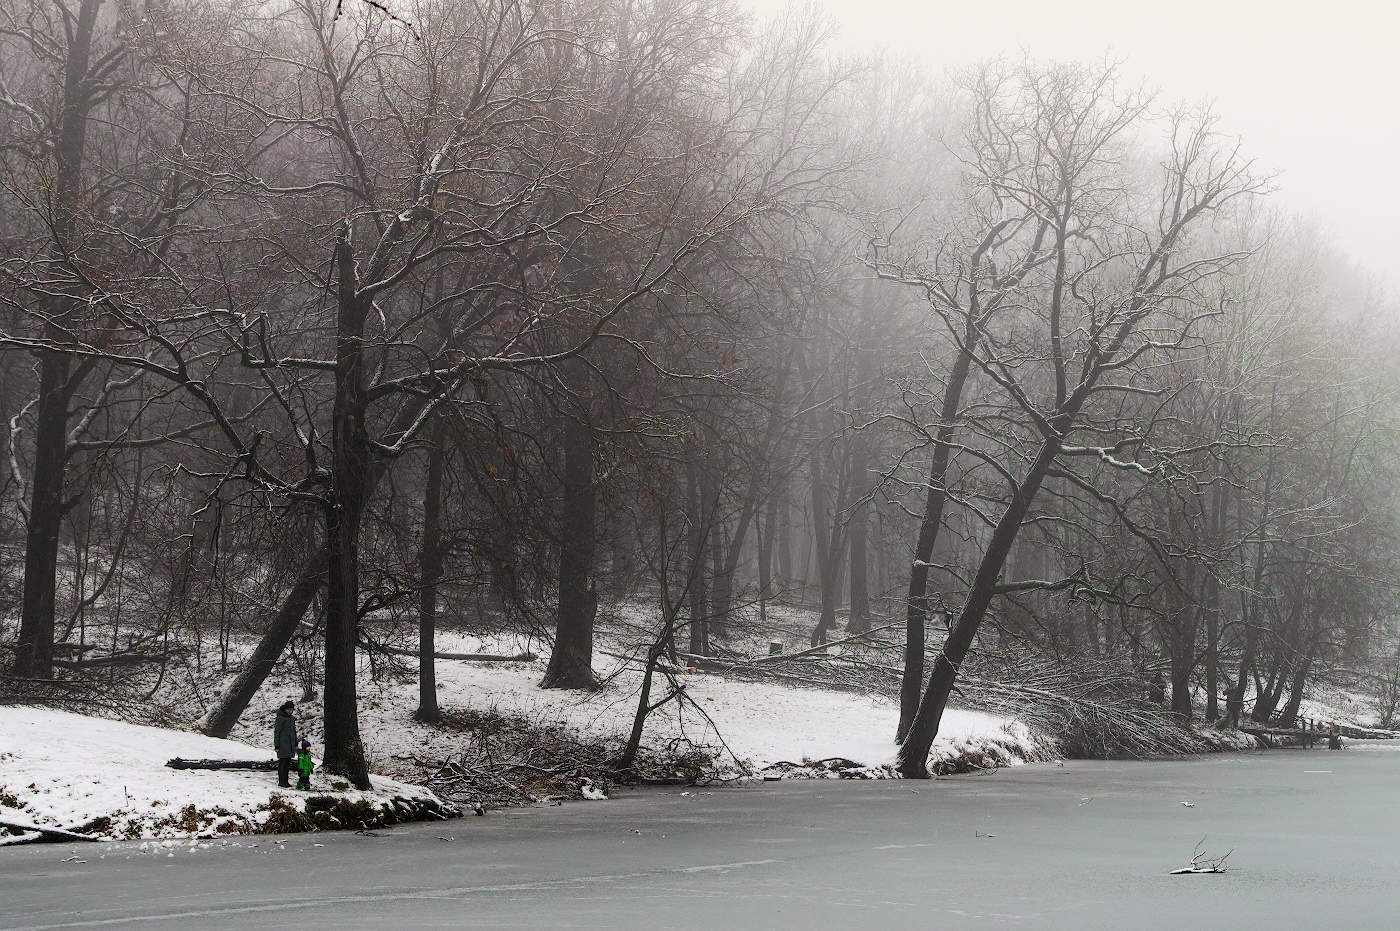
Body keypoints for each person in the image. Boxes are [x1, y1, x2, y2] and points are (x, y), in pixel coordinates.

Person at [273, 700, 298, 788]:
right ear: (285, 709)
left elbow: (294, 732)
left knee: (287, 764)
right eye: (288, 709)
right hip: (283, 744)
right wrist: (277, 745)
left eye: (291, 710)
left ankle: (286, 781)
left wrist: (295, 743)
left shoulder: (292, 719)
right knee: (282, 763)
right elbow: (277, 732)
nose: (290, 711)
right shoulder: (280, 718)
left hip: (290, 745)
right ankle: (281, 781)